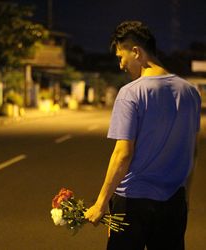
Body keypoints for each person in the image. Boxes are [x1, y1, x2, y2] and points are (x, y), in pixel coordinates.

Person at [84, 20, 201, 250]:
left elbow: (122, 154)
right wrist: (185, 197)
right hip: (174, 202)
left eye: (121, 57)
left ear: (136, 52)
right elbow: (192, 152)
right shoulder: (191, 93)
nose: (121, 65)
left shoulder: (131, 93)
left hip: (133, 203)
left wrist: (101, 203)